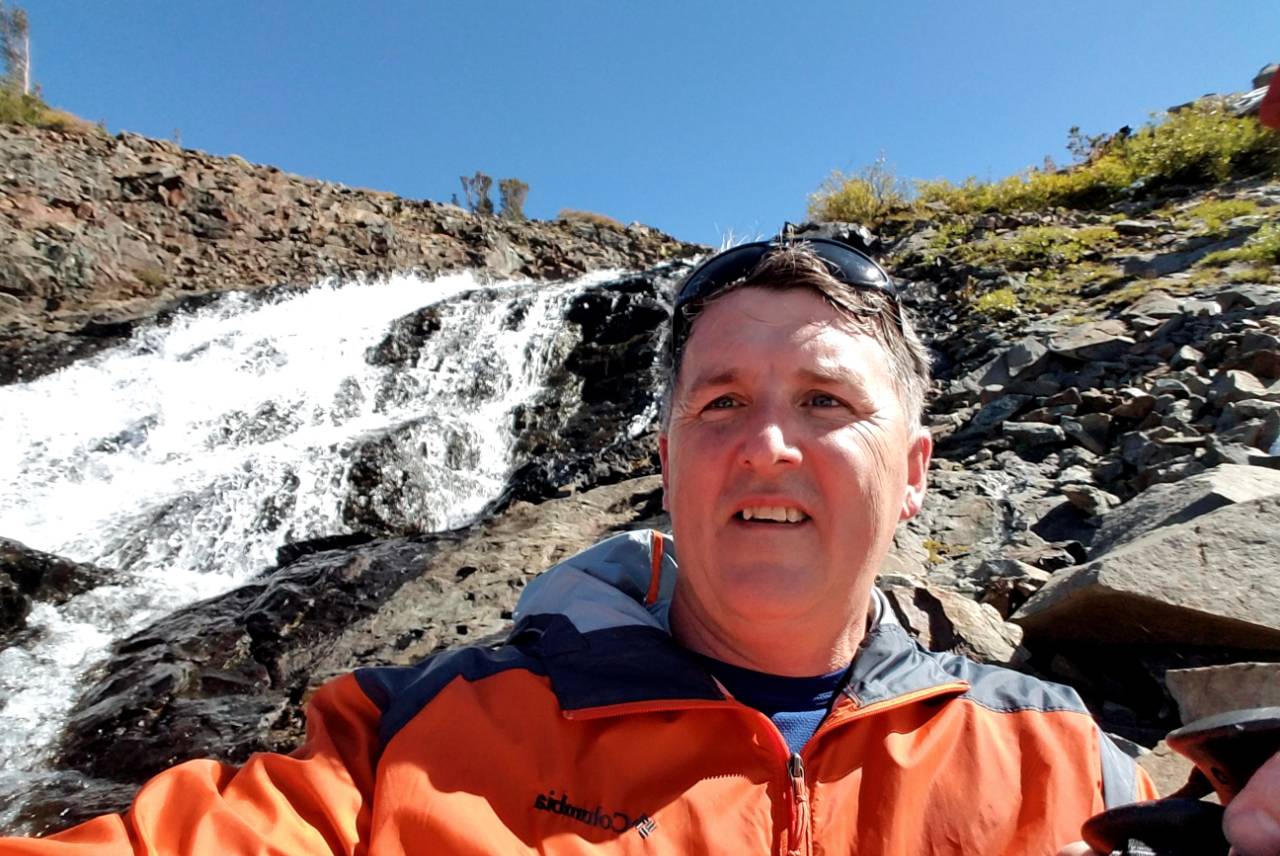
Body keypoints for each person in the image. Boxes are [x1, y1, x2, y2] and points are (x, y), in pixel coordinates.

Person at [2, 238, 1277, 855]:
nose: (766, 444)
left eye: (824, 401)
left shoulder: (1071, 767)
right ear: (664, 461)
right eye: (720, 403)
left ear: (911, 473)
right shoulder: (405, 745)